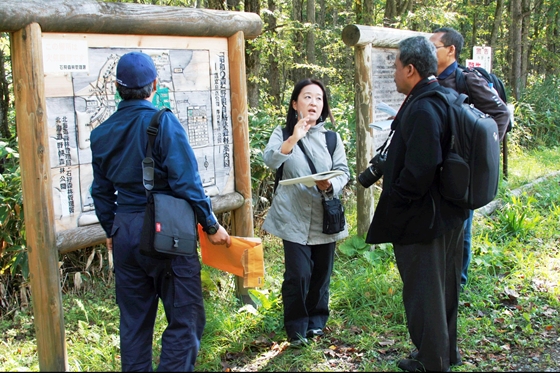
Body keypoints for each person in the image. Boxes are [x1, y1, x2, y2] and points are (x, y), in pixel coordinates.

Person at [90, 51, 231, 372]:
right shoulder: (163, 122)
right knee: (185, 319)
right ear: (154, 84)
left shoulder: (101, 133)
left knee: (134, 325)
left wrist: (113, 228)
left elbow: (100, 192)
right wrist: (210, 225)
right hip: (168, 233)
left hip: (125, 230)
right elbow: (187, 182)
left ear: (116, 87)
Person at [365, 36, 469, 372]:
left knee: (426, 294)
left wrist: (398, 198)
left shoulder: (424, 106)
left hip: (424, 221)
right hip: (450, 213)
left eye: (395, 66)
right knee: (445, 289)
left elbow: (421, 167)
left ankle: (430, 362)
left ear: (410, 69)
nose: (393, 73)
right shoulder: (445, 96)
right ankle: (445, 353)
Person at [262, 78, 350, 347]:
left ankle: (316, 321)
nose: (314, 103)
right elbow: (270, 159)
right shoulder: (282, 132)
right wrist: (294, 138)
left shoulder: (332, 138)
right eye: (307, 97)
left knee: (322, 273)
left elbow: (344, 172)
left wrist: (330, 184)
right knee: (298, 274)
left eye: (319, 99)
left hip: (325, 215)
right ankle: (296, 326)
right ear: (294, 103)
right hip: (293, 216)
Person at [430, 27, 510, 289]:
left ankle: (458, 281)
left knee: (463, 224)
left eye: (435, 47)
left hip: (463, 167)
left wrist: (483, 150)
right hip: (437, 163)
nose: (430, 52)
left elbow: (500, 114)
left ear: (450, 50)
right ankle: (439, 276)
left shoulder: (468, 79)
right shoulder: (431, 80)